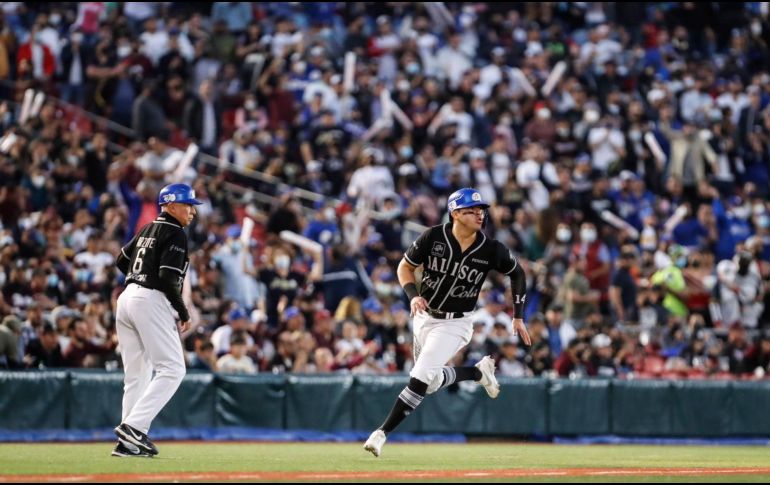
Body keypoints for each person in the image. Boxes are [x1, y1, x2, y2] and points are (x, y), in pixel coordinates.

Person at [363, 187, 530, 457]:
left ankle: (381, 433)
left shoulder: (489, 248)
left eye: (481, 210)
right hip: (424, 317)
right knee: (427, 383)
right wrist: (412, 296)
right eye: (471, 210)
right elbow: (404, 267)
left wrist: (518, 315)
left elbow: (517, 272)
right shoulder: (433, 236)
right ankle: (478, 373)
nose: (479, 214)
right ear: (455, 213)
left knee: (419, 377)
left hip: (456, 323)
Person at [112, 183, 201, 458]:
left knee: (136, 375)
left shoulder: (146, 229)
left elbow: (120, 260)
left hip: (127, 297)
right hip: (149, 299)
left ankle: (128, 442)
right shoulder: (174, 232)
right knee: (173, 369)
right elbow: (166, 278)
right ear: (171, 205)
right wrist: (183, 312)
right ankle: (134, 428)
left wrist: (138, 277)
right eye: (187, 205)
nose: (192, 212)